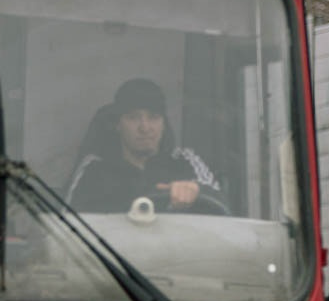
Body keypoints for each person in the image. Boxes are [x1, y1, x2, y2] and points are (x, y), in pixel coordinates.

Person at [65, 77, 223, 215]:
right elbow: (67, 224)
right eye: (133, 118)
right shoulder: (94, 168)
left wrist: (196, 191)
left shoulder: (184, 161)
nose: (145, 127)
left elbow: (222, 204)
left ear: (163, 124)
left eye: (153, 117)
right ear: (118, 124)